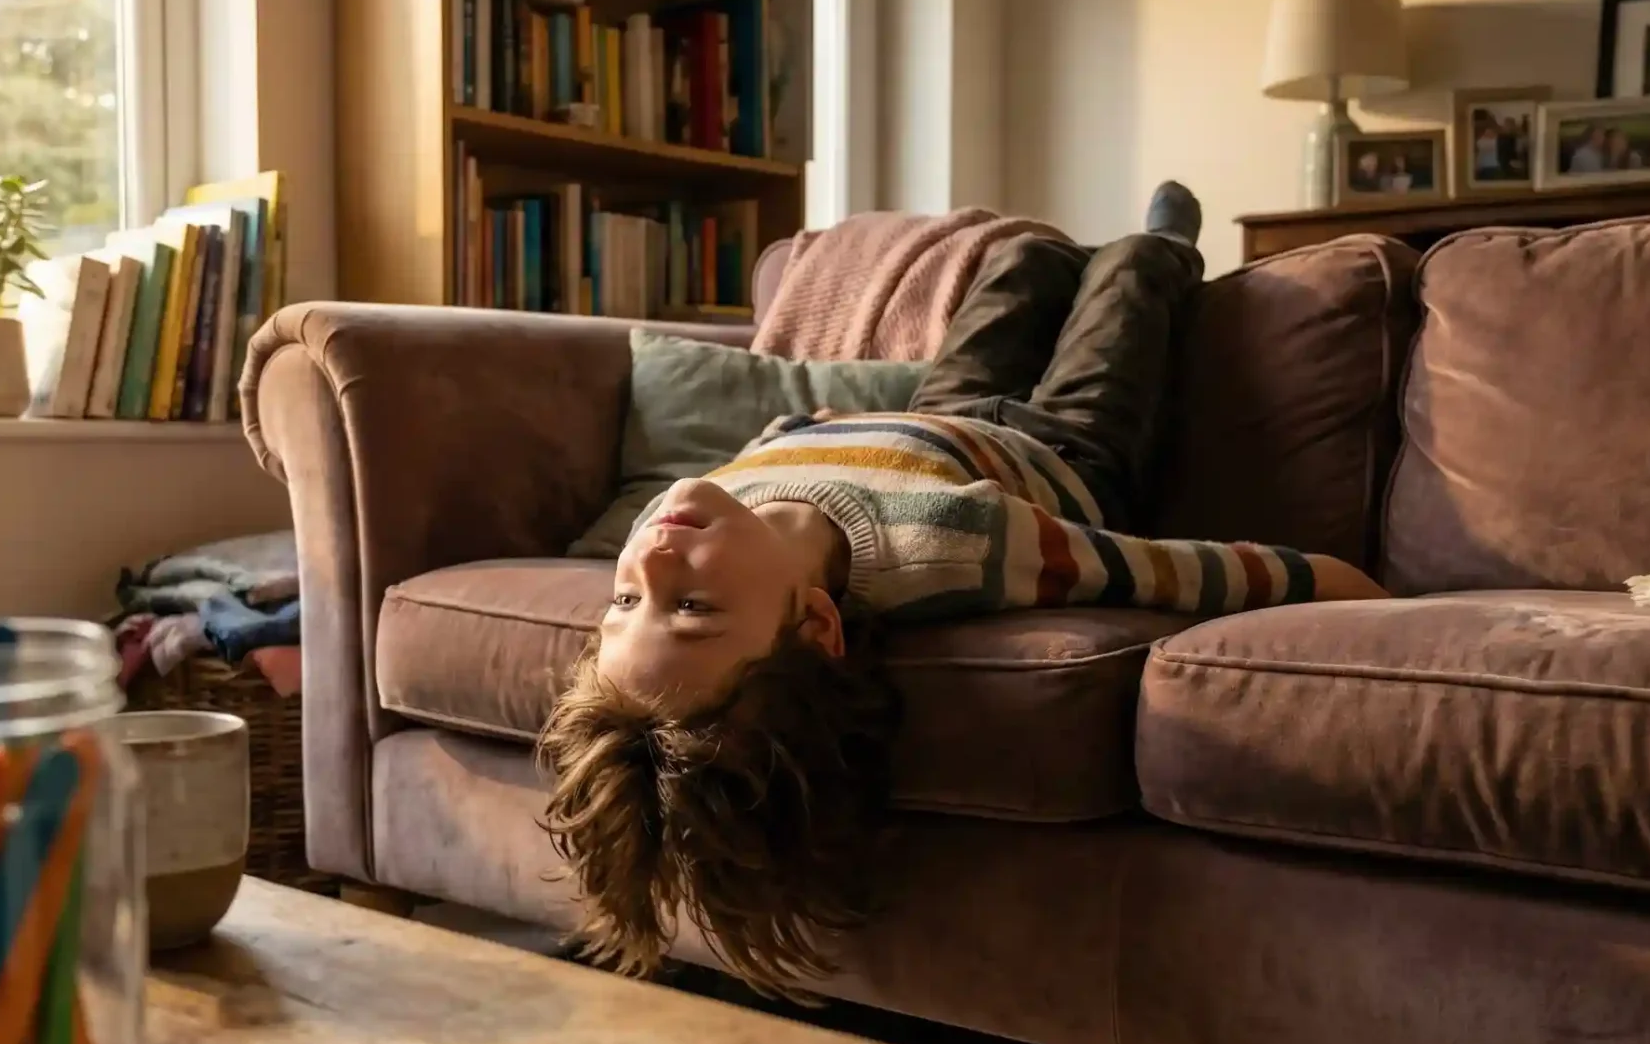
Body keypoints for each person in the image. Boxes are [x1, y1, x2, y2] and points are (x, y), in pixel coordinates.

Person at [537, 183, 1389, 997]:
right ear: (817, 624)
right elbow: (1158, 566)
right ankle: (1164, 242)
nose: (647, 566)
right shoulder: (950, 549)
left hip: (931, 413)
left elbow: (768, 446)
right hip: (1056, 449)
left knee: (1022, 264)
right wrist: (1320, 580)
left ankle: (1058, 259)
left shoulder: (672, 521)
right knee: (1125, 284)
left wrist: (800, 432)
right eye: (690, 608)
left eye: (622, 606)